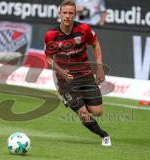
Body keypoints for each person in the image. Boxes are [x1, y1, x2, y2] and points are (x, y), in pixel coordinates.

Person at [44, 0, 111, 146]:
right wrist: (60, 71)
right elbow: (48, 58)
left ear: (75, 14)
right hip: (65, 81)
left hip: (85, 76)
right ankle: (104, 135)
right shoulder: (51, 35)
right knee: (83, 114)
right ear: (59, 14)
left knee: (97, 111)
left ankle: (82, 102)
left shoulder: (84, 29)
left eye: (70, 13)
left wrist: (99, 68)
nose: (67, 16)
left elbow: (95, 44)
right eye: (64, 13)